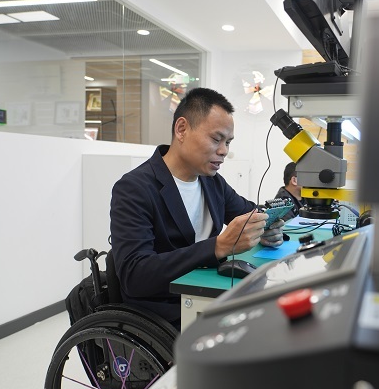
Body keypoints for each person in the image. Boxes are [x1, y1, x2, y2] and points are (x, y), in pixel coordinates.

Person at [110, 87, 284, 329]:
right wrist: (218, 246)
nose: (224, 151)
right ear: (182, 129)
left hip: (208, 298)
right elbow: (135, 276)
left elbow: (250, 213)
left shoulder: (212, 183)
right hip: (166, 313)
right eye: (216, 139)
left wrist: (266, 228)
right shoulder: (135, 188)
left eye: (228, 142)